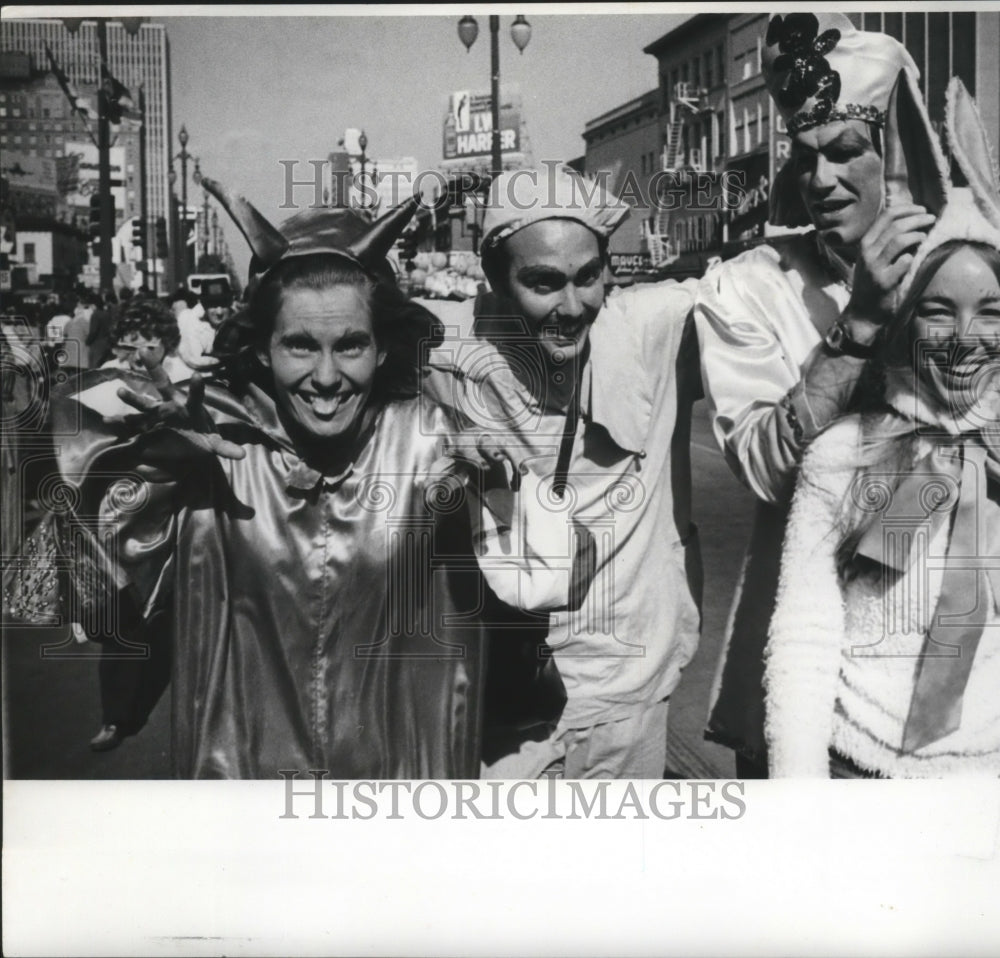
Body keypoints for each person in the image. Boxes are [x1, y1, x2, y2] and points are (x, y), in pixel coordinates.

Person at [52, 179, 485, 778]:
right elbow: (98, 595)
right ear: (261, 349)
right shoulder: (208, 448)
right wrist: (149, 458)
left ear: (384, 348)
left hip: (389, 806)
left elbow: (537, 574)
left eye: (351, 345)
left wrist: (498, 479)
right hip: (244, 805)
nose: (327, 376)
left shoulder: (431, 441)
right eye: (301, 346)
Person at [693, 13, 938, 776]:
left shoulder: (967, 273)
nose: (822, 179)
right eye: (805, 158)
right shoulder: (748, 287)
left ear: (894, 160)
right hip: (809, 661)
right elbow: (765, 470)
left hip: (948, 646)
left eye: (845, 153)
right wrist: (860, 322)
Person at [426, 163, 704, 779]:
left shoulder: (655, 327)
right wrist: (442, 447)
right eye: (544, 283)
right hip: (505, 706)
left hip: (629, 692)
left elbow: (782, 291)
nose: (572, 306)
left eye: (587, 278)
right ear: (496, 279)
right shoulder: (449, 349)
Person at [766, 77, 1000, 777]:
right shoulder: (845, 453)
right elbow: (806, 636)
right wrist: (798, 800)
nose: (965, 339)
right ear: (901, 319)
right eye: (937, 310)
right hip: (858, 765)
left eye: (991, 311)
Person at [88, 300, 191, 751]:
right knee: (121, 616)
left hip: (174, 515)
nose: (138, 352)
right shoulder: (102, 383)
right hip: (116, 517)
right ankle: (116, 715)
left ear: (165, 343)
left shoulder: (183, 383)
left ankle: (179, 701)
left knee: (170, 618)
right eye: (130, 342)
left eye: (149, 342)